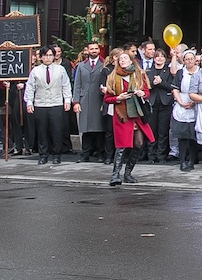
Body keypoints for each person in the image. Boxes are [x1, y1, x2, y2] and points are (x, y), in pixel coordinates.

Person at [103, 58, 154, 187]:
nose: (123, 60)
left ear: (132, 61)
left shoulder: (139, 74)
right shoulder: (113, 77)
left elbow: (147, 93)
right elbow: (107, 98)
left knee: (139, 143)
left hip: (137, 113)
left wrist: (142, 93)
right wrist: (118, 98)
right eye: (120, 59)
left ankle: (128, 173)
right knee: (122, 145)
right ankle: (115, 175)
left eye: (125, 58)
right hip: (122, 114)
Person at [24, 45, 73, 166]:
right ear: (41, 57)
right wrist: (29, 102)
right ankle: (43, 155)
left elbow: (66, 85)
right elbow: (30, 87)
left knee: (57, 130)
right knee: (42, 131)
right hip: (40, 104)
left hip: (56, 103)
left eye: (50, 55)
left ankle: (57, 155)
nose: (48, 58)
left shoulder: (60, 69)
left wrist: (67, 100)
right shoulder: (35, 70)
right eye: (46, 55)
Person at [73, 44, 109, 164]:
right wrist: (76, 101)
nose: (94, 51)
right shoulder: (81, 66)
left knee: (99, 128)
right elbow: (77, 84)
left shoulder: (104, 64)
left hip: (98, 99)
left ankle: (100, 153)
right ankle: (84, 154)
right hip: (85, 99)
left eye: (96, 49)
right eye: (91, 49)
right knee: (86, 128)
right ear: (87, 50)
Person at [172, 49, 200, 171]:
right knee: (182, 135)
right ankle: (182, 161)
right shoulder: (180, 73)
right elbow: (175, 89)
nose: (189, 61)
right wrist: (181, 102)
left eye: (191, 59)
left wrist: (194, 101)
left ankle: (192, 160)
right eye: (186, 59)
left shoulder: (200, 72)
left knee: (193, 135)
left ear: (195, 60)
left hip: (197, 103)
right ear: (183, 61)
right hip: (182, 102)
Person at [146, 47, 175, 164]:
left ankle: (161, 156)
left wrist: (161, 82)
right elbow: (146, 87)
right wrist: (153, 83)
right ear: (154, 58)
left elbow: (172, 86)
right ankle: (151, 156)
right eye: (157, 56)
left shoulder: (169, 71)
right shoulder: (148, 71)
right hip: (152, 104)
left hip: (165, 104)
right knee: (152, 131)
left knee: (163, 131)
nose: (159, 58)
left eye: (162, 56)